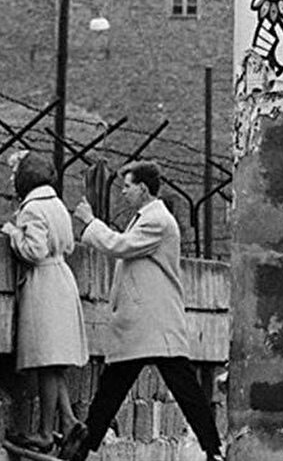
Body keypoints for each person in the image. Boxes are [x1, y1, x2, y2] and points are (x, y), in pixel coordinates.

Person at [62, 160, 223, 461]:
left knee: (180, 388)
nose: (123, 192)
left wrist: (90, 222)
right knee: (114, 387)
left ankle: (213, 449)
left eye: (127, 186)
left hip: (154, 322)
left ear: (144, 189)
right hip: (145, 322)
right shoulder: (146, 217)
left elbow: (120, 246)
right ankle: (82, 449)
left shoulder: (156, 220)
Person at [0, 151, 89, 453]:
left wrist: (13, 233)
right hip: (62, 278)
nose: (11, 180)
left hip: (44, 284)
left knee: (46, 361)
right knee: (55, 362)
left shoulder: (32, 210)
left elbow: (34, 250)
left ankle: (45, 433)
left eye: (14, 174)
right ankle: (69, 421)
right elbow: (70, 244)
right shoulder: (57, 205)